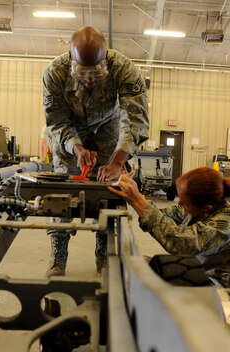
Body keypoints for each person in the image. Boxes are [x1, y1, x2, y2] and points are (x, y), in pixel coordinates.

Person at [42, 26, 149, 276]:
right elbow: (57, 121)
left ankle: (104, 252)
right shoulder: (54, 73)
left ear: (105, 61)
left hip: (110, 132)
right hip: (71, 134)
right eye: (82, 73)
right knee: (62, 193)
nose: (89, 79)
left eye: (97, 74)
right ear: (71, 61)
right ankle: (59, 253)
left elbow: (135, 118)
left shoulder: (124, 69)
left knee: (108, 190)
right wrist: (76, 147)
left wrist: (118, 160)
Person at [108, 167, 230, 292]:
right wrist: (135, 195)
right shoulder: (197, 208)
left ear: (206, 207)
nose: (180, 204)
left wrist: (138, 200)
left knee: (160, 284)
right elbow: (160, 215)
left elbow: (184, 244)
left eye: (184, 201)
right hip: (201, 272)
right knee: (139, 267)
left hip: (227, 288)